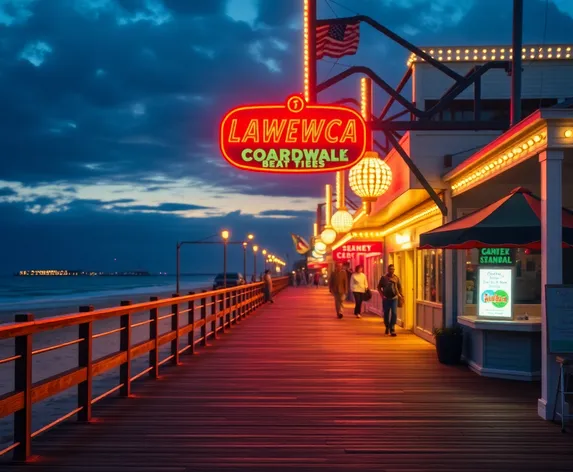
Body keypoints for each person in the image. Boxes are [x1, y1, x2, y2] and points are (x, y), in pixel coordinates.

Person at [377, 264, 403, 336]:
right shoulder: (383, 278)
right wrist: (382, 296)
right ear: (388, 270)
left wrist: (401, 296)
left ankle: (392, 328)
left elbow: (400, 288)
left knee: (394, 313)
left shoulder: (397, 278)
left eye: (393, 269)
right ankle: (387, 326)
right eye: (391, 269)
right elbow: (379, 287)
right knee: (386, 313)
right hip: (386, 298)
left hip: (394, 298)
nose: (392, 270)